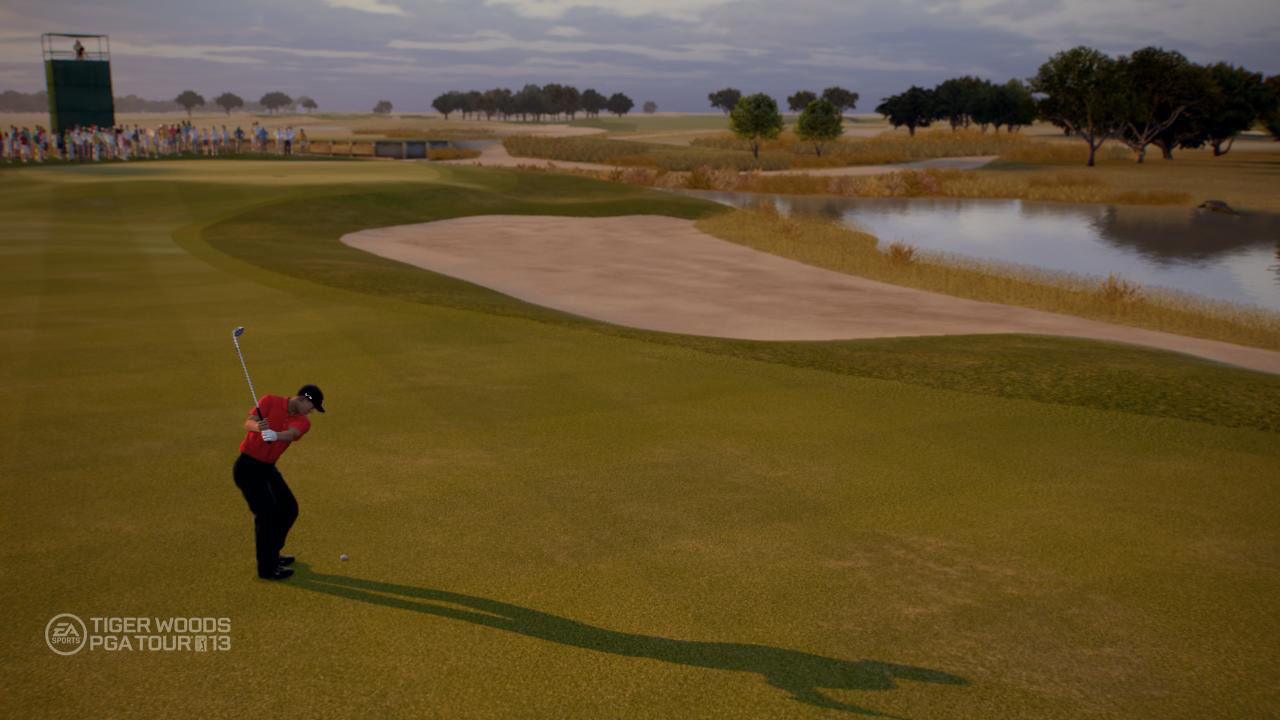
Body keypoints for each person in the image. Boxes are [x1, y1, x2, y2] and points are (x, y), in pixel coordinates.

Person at [232, 384, 326, 580]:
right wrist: (259, 428)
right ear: (302, 399)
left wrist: (275, 435)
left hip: (268, 469)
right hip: (248, 468)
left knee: (289, 509)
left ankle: (272, 552)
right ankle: (267, 568)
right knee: (267, 515)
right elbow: (248, 423)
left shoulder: (303, 421)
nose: (311, 412)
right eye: (311, 407)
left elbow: (292, 434)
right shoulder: (269, 401)